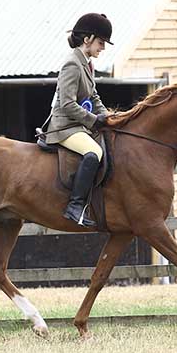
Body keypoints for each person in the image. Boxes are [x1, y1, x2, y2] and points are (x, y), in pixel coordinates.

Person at [44, 13, 113, 227]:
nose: (103, 47)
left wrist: (109, 118)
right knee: (94, 153)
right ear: (87, 39)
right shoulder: (72, 64)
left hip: (78, 125)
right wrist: (93, 120)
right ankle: (75, 206)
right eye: (101, 42)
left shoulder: (87, 63)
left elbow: (93, 97)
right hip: (64, 127)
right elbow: (67, 104)